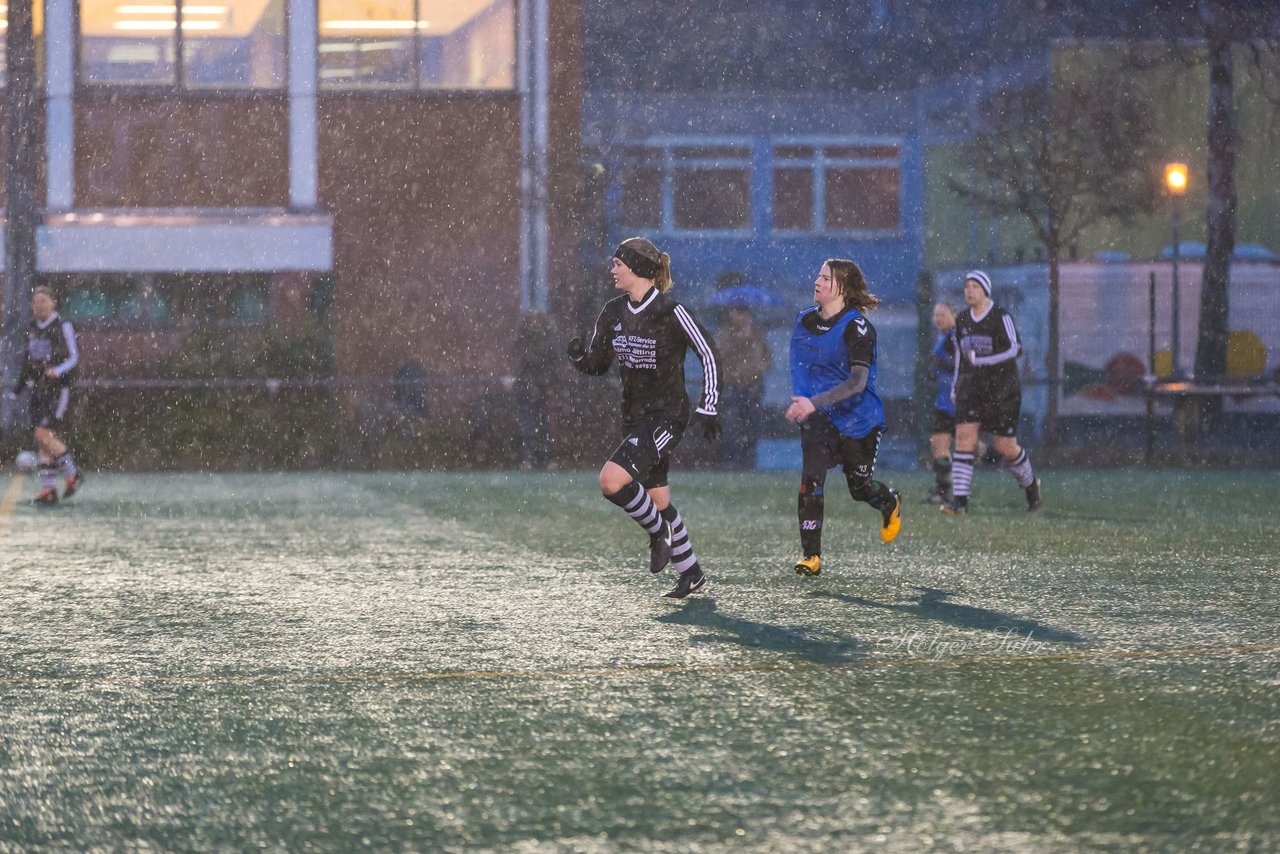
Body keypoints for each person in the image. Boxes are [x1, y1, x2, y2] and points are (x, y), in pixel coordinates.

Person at [567, 237, 721, 601]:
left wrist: (708, 404)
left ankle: (657, 534)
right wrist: (578, 358)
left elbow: (708, 353)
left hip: (667, 417)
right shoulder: (612, 312)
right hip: (634, 418)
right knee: (659, 500)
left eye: (618, 264)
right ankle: (692, 575)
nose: (612, 270)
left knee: (611, 481)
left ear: (637, 268)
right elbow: (599, 363)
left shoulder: (671, 311)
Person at [785, 259, 902, 578]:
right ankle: (811, 555)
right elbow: (801, 365)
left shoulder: (857, 327)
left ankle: (889, 501)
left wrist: (813, 401)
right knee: (811, 479)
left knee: (859, 488)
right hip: (819, 417)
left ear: (843, 289)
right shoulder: (804, 320)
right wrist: (804, 403)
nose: (817, 282)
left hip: (858, 420)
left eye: (826, 278)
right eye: (818, 275)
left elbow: (857, 382)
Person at [941, 270, 1041, 515]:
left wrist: (986, 360)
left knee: (1005, 447)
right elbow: (960, 360)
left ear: (985, 290)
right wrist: (955, 386)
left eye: (975, 286)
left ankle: (1031, 489)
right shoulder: (962, 320)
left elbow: (1015, 349)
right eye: (966, 287)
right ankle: (960, 502)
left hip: (1002, 390)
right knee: (965, 438)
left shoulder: (1000, 316)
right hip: (971, 388)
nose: (969, 291)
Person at [6, 286, 84, 505]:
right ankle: (48, 490)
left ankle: (73, 473)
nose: (38, 305)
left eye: (43, 300)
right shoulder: (32, 328)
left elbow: (75, 356)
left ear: (53, 302)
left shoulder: (63, 324)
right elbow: (29, 363)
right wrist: (17, 390)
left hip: (58, 390)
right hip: (39, 391)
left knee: (43, 434)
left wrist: (57, 371)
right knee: (42, 441)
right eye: (35, 301)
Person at [716, 305, 772, 470]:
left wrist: (760, 368)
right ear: (731, 313)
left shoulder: (757, 333)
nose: (742, 317)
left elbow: (767, 357)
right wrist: (740, 340)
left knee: (753, 424)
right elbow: (719, 355)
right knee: (731, 424)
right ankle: (731, 461)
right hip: (732, 385)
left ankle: (749, 462)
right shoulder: (725, 333)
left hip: (754, 385)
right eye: (739, 312)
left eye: (745, 313)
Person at [513, 312, 557, 470]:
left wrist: (545, 381)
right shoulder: (523, 341)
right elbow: (519, 364)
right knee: (529, 424)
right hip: (529, 389)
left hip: (543, 388)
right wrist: (528, 382)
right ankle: (528, 457)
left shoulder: (548, 341)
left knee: (546, 425)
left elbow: (553, 363)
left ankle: (547, 458)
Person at [923, 301, 957, 504]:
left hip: (955, 401)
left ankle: (952, 494)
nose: (938, 319)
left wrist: (939, 363)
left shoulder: (955, 337)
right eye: (936, 315)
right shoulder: (944, 337)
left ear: (954, 314)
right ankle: (942, 492)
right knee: (939, 446)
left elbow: (961, 365)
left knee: (956, 446)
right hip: (944, 401)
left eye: (942, 315)